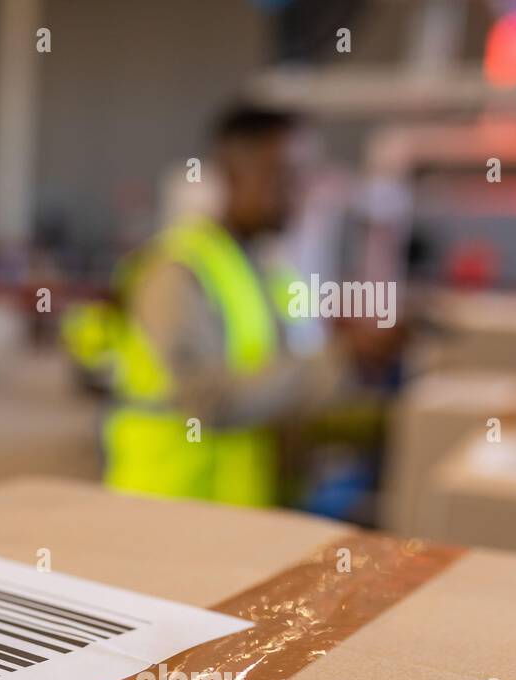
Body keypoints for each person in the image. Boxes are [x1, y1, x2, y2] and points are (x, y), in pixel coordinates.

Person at [100, 105, 351, 507]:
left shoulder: (271, 273)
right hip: (168, 510)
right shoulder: (177, 270)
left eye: (304, 179)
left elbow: (283, 382)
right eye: (284, 177)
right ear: (233, 174)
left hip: (237, 508)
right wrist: (341, 358)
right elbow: (208, 402)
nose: (299, 193)